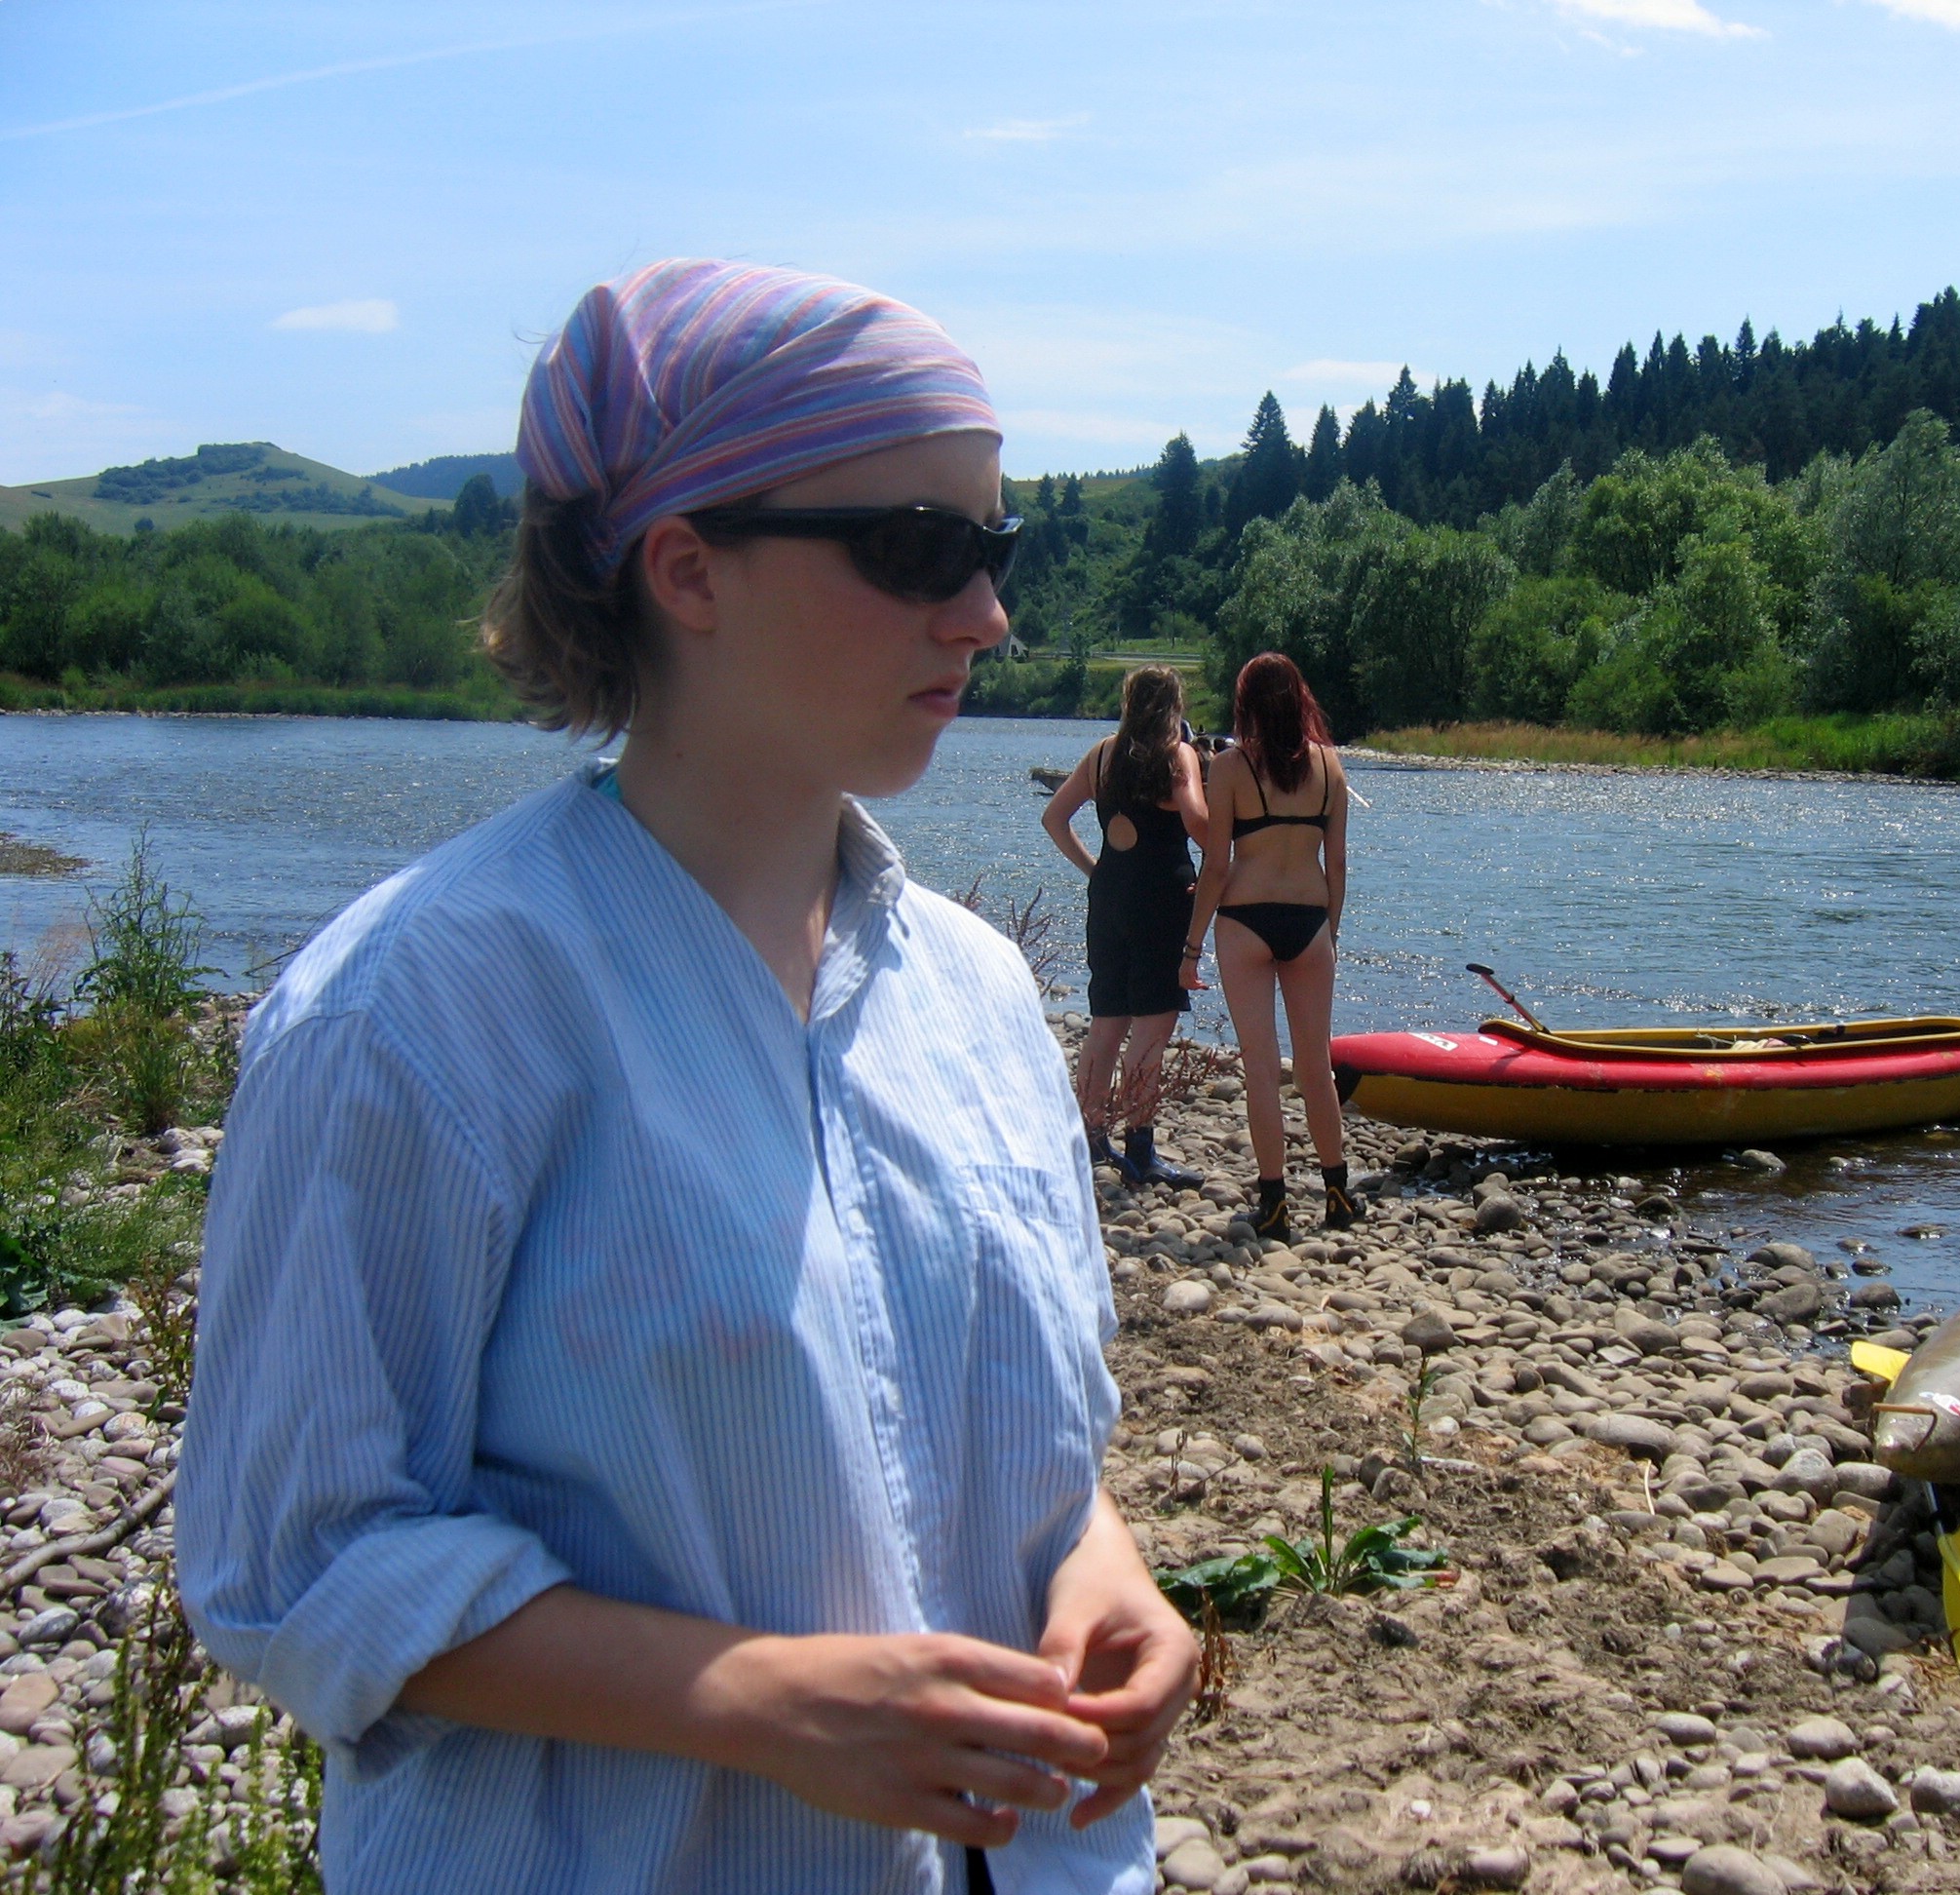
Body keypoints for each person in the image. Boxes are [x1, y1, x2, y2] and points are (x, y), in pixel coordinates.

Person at [176, 259, 1197, 1895]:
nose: (985, 614)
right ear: (687, 566)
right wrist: (756, 1701)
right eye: (918, 547)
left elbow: (1027, 1446)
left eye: (994, 549)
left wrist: (1104, 1573)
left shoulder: (980, 992)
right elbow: (298, 1553)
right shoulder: (418, 1011)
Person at [1180, 652, 1351, 1241]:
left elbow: (1217, 865)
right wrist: (1330, 932)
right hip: (1309, 920)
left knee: (1260, 1065)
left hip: (1245, 921)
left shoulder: (1231, 767)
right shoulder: (1330, 765)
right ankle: (1337, 1194)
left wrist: (1191, 948)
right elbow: (1337, 865)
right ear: (1300, 699)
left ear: (1247, 704)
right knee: (1316, 1065)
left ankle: (1275, 1204)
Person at [1041, 666, 1206, 1189]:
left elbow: (1054, 818)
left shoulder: (1102, 755)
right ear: (1174, 706)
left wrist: (1094, 870)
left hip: (1109, 894)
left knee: (1107, 1019)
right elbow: (1200, 824)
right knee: (1153, 1024)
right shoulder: (1177, 756)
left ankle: (1090, 1136)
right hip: (1161, 900)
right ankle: (1140, 1148)